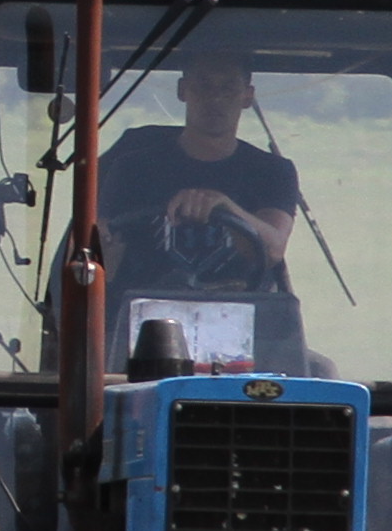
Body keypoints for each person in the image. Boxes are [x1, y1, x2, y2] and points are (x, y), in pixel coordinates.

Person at [96, 49, 299, 337]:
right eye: (203, 85)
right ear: (182, 90)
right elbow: (97, 254)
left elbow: (272, 250)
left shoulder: (272, 172)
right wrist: (103, 249)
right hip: (142, 331)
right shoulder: (132, 169)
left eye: (228, 87)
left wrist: (226, 208)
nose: (214, 98)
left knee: (321, 369)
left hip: (246, 328)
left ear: (247, 96)